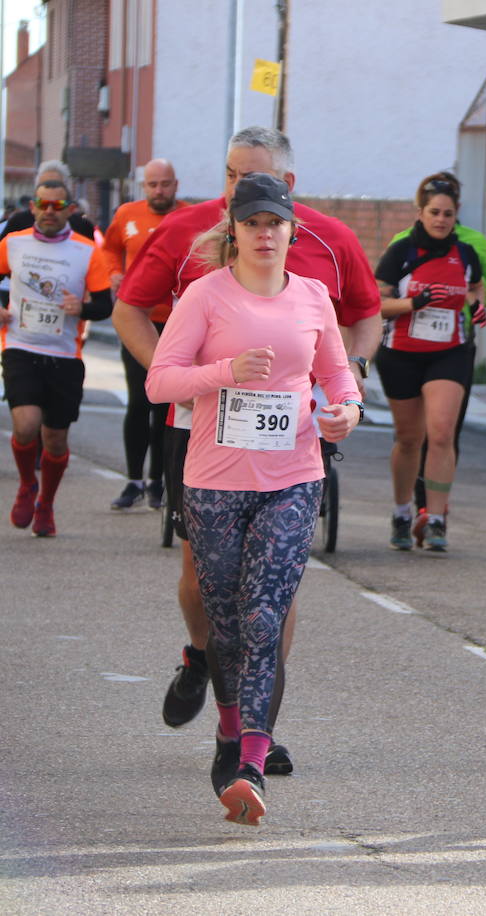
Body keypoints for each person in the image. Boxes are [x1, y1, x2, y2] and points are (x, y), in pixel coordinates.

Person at [112, 126, 381, 778]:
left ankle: (256, 737)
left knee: (272, 600)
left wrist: (349, 392)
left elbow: (363, 318)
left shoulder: (327, 242)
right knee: (207, 592)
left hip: (291, 443)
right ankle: (200, 658)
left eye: (253, 178)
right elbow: (129, 312)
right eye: (231, 176)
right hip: (200, 430)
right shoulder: (185, 235)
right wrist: (202, 381)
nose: (237, 189)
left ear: (288, 190)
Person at [380, 171, 486, 547]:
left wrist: (477, 305)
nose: (440, 219)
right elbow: (375, 304)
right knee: (409, 438)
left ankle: (436, 519)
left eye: (448, 213)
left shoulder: (470, 250)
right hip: (401, 353)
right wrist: (413, 304)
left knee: (441, 432)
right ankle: (402, 512)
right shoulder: (401, 248)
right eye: (434, 212)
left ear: (457, 215)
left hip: (450, 352)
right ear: (420, 212)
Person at [1, 179, 114, 536]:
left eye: (57, 205)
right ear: (32, 207)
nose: (49, 211)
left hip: (65, 354)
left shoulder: (87, 251)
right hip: (21, 346)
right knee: (25, 425)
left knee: (55, 439)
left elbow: (104, 306)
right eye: (43, 204)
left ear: (69, 209)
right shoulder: (13, 243)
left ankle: (46, 503)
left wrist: (80, 307)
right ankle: (25, 484)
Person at [103, 158, 188, 510]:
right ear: (143, 186)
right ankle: (134, 480)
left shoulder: (188, 218)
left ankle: (160, 482)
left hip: (178, 323)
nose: (159, 191)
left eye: (165, 184)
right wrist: (112, 274)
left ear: (175, 185)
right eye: (152, 184)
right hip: (139, 321)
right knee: (139, 401)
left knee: (167, 407)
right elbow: (109, 248)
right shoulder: (127, 214)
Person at [0, 161, 98, 242]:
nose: (49, 211)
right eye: (45, 186)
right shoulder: (18, 222)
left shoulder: (83, 226)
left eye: (56, 185)